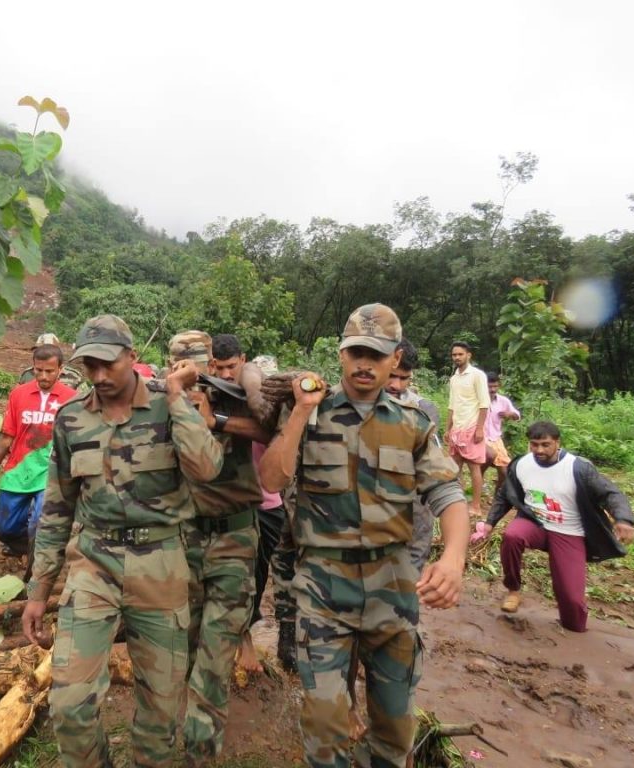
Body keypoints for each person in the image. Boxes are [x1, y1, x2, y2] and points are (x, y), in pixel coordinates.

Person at [259, 303, 469, 768]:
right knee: (324, 720)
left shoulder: (412, 423)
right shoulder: (309, 413)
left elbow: (448, 491)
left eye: (376, 355)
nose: (363, 365)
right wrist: (298, 415)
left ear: (395, 360)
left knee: (394, 721)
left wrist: (453, 557)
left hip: (391, 582)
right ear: (340, 354)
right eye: (355, 352)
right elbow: (272, 480)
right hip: (322, 582)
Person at [21, 315, 223, 768]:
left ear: (132, 358)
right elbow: (57, 506)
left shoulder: (168, 405)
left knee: (161, 711)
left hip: (162, 566)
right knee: (69, 704)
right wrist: (39, 590)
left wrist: (176, 399)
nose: (98, 376)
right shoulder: (72, 417)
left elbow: (209, 470)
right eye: (88, 366)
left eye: (107, 365)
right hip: (94, 562)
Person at [173, 331, 269, 764]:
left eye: (200, 362)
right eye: (181, 362)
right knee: (189, 646)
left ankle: (200, 754)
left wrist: (217, 420)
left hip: (233, 536)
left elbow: (270, 425)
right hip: (185, 537)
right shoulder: (165, 398)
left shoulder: (234, 394)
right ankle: (191, 730)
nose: (195, 370)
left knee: (214, 656)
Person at [480, 421, 634, 632]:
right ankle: (513, 589)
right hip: (535, 524)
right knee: (512, 535)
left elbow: (611, 493)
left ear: (557, 443)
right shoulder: (522, 465)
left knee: (573, 607)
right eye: (534, 445)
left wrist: (623, 519)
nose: (539, 450)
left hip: (569, 532)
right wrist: (489, 523)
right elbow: (505, 495)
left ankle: (573, 626)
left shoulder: (577, 468)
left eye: (545, 444)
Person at [210, 334, 282, 677]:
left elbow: (270, 432)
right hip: (230, 501)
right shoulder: (212, 391)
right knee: (232, 574)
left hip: (268, 500)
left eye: (231, 366)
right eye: (219, 367)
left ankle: (246, 634)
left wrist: (250, 386)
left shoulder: (262, 391)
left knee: (259, 572)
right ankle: (238, 638)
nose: (225, 374)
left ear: (243, 360)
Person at [0, 343, 76, 555]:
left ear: (60, 369)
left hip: (51, 473)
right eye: (38, 370)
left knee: (39, 524)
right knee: (3, 527)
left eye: (49, 371)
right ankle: (29, 549)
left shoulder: (71, 399)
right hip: (19, 469)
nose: (43, 376)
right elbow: (6, 438)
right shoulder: (18, 395)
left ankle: (36, 570)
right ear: (33, 368)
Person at [385, 338, 442, 572]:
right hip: (371, 504)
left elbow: (435, 465)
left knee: (413, 561)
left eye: (404, 378)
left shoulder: (423, 409)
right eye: (392, 376)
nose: (396, 385)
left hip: (412, 499)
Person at [446, 341, 489, 515]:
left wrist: (479, 429)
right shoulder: (454, 378)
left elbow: (484, 404)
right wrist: (447, 428)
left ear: (468, 355)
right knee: (455, 467)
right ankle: (458, 502)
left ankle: (476, 506)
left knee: (474, 467)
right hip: (457, 428)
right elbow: (451, 405)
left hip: (471, 427)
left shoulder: (477, 375)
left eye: (460, 354)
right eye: (454, 355)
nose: (456, 357)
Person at [483, 371, 520, 489]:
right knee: (485, 460)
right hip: (480, 437)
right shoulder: (478, 400)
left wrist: (509, 414)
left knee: (504, 472)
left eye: (495, 386)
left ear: (499, 386)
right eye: (490, 386)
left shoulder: (503, 401)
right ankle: (477, 487)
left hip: (495, 439)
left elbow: (517, 416)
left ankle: (497, 498)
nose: (492, 389)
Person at [18, 332, 83, 389]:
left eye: (47, 350)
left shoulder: (74, 376)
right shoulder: (27, 374)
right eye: (38, 350)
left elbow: (84, 400)